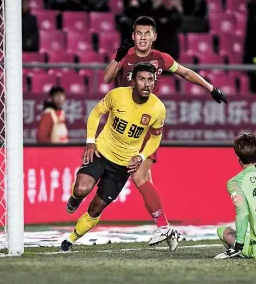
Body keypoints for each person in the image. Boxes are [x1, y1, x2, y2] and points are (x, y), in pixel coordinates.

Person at [102, 16, 227, 248]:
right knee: (145, 180)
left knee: (139, 177)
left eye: (147, 33)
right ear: (133, 36)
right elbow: (106, 78)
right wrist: (116, 59)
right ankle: (166, 229)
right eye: (138, 33)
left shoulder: (161, 59)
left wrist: (211, 88)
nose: (142, 38)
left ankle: (163, 228)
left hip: (146, 127)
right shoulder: (125, 56)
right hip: (122, 127)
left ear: (154, 36)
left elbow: (186, 73)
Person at [61, 62, 174, 252]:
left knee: (96, 208)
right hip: (101, 152)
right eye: (142, 79)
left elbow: (155, 138)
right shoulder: (117, 95)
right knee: (81, 189)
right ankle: (74, 198)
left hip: (123, 166)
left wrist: (141, 156)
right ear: (133, 81)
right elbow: (96, 113)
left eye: (150, 80)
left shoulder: (158, 108)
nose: (147, 84)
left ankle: (71, 239)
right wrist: (90, 140)